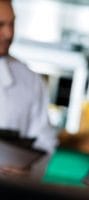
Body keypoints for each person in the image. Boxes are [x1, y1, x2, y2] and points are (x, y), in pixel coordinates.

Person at [0, 0, 58, 176]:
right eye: (0, 25)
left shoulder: (30, 80)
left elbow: (45, 141)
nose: (8, 33)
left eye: (12, 24)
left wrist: (28, 169)